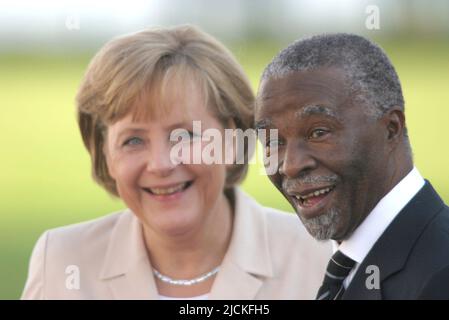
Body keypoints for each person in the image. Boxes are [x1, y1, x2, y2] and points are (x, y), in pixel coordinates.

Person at [21, 25, 330, 300]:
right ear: (105, 154)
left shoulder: (320, 257)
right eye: (133, 140)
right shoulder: (61, 262)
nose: (160, 164)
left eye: (185, 136)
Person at [255, 33, 449, 300]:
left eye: (318, 132)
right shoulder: (344, 268)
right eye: (272, 141)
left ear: (391, 129)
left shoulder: (440, 277)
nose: (290, 165)